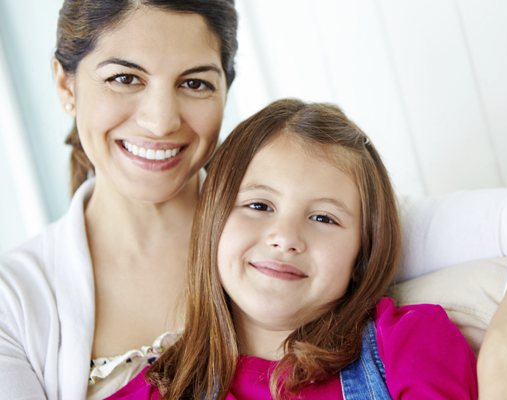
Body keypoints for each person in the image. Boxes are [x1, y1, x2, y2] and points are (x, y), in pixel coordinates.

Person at [0, 1, 507, 399]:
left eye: (196, 82)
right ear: (65, 85)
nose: (160, 121)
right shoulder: (15, 305)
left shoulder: (313, 223)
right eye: (124, 77)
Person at [110, 98, 479, 399]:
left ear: (362, 254)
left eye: (323, 218)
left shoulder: (411, 344)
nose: (285, 238)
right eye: (259, 206)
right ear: (213, 222)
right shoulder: (157, 389)